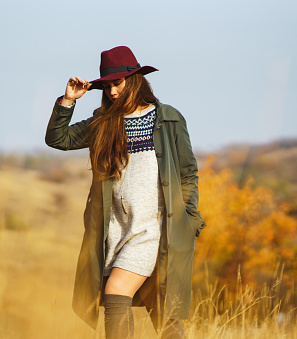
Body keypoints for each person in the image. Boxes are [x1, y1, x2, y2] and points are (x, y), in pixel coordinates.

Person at [45, 46, 206, 339]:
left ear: (135, 80)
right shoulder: (104, 122)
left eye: (117, 83)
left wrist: (190, 220)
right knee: (161, 310)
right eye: (106, 87)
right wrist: (68, 101)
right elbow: (59, 139)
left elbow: (187, 173)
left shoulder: (167, 118)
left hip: (153, 227)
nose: (113, 92)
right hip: (116, 229)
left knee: (116, 290)